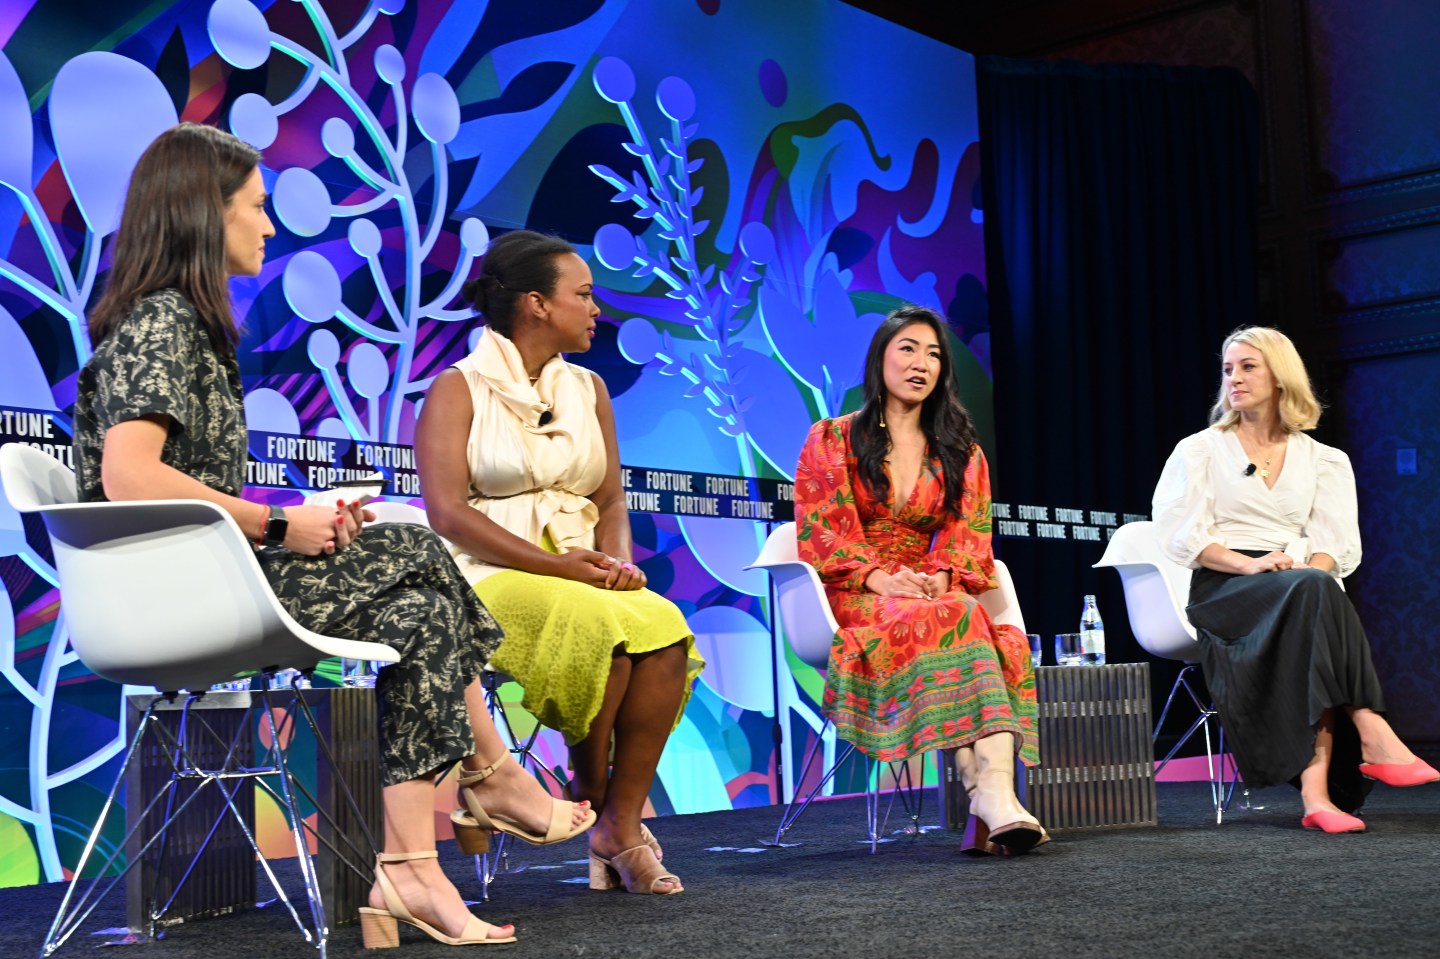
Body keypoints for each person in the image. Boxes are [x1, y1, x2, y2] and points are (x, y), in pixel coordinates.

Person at [74, 123, 595, 948]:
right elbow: (129, 476)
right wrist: (283, 522)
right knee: (420, 547)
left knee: (416, 611)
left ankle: (411, 867)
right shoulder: (162, 321)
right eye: (256, 208)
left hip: (212, 575)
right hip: (173, 596)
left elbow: (186, 489)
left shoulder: (189, 325)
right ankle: (492, 776)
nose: (270, 227)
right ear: (206, 215)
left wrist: (312, 522)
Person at [415, 230, 704, 895]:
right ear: (538, 305)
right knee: (603, 628)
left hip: (582, 567)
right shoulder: (457, 389)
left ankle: (616, 824)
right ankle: (601, 805)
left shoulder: (592, 388)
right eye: (584, 295)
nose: (596, 307)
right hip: (486, 574)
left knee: (659, 624)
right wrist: (563, 569)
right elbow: (448, 515)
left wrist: (618, 563)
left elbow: (608, 499)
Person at [1152, 325, 1438, 833]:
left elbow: (1336, 544)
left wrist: (1311, 569)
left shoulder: (1324, 459)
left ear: (1281, 377)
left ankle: (1318, 797)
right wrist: (1250, 563)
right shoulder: (1199, 450)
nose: (1233, 379)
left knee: (1315, 589)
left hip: (1297, 584)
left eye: (1247, 367)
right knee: (1312, 592)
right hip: (1226, 588)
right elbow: (1180, 535)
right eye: (1227, 370)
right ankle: (1372, 730)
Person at [794, 305, 1044, 854]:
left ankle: (991, 792)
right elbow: (822, 532)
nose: (921, 363)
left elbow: (969, 534)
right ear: (880, 357)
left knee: (958, 610)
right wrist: (881, 578)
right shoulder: (832, 438)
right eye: (907, 348)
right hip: (856, 593)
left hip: (928, 589)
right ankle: (989, 794)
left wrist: (938, 577)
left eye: (933, 354)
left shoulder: (960, 451)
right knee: (959, 618)